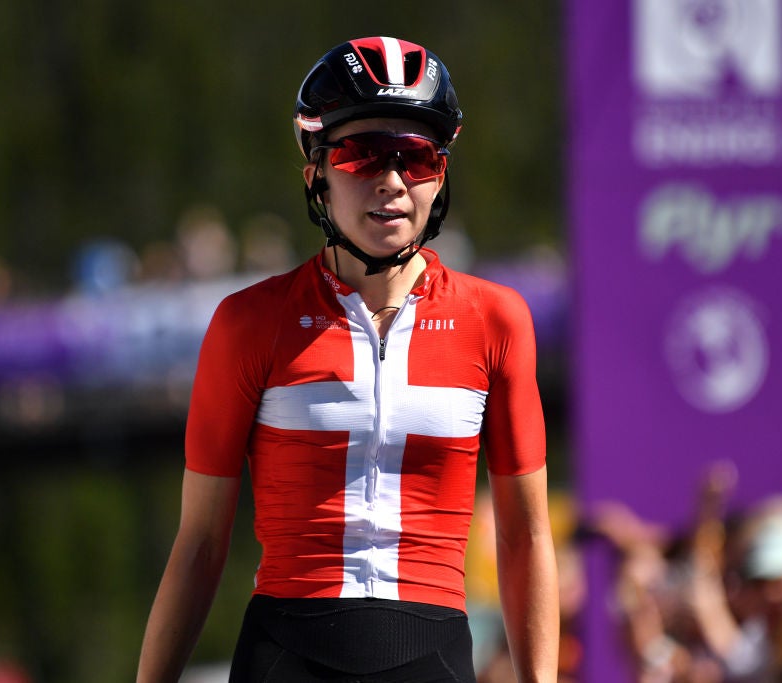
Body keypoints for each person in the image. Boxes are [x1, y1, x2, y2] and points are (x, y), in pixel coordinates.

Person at [136, 36, 559, 683]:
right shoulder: (250, 322)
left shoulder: (494, 320)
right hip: (285, 655)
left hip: (432, 654)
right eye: (362, 154)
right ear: (316, 175)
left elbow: (526, 536)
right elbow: (199, 543)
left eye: (415, 157)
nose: (391, 180)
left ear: (440, 174)